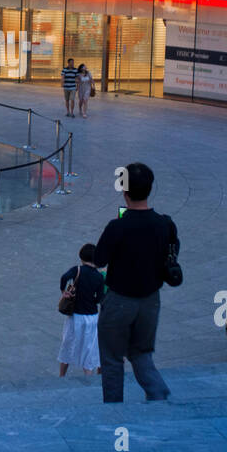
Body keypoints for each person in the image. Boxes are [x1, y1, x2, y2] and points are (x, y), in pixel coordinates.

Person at [93, 162, 176, 403]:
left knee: (111, 359)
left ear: (124, 191)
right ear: (149, 189)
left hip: (119, 301)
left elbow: (99, 259)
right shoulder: (164, 224)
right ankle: (158, 393)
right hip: (150, 301)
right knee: (141, 353)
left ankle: (114, 410)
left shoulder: (118, 226)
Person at [58, 243, 104, 377]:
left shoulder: (77, 270)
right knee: (89, 348)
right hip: (92, 317)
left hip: (76, 316)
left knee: (68, 344)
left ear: (81, 257)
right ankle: (89, 376)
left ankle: (62, 376)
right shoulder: (99, 276)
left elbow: (64, 277)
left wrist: (64, 291)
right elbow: (100, 298)